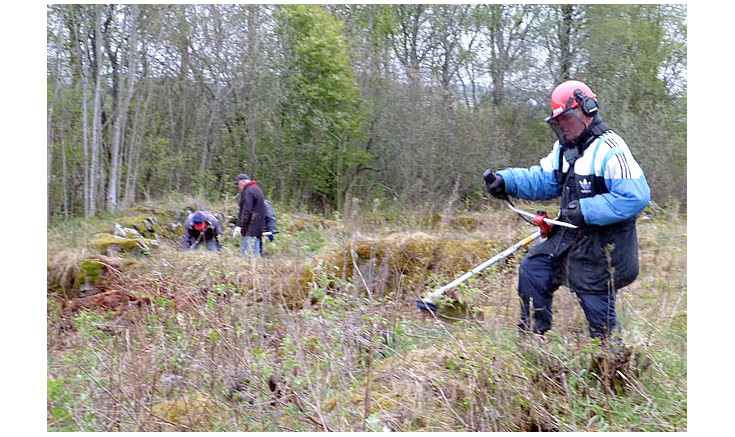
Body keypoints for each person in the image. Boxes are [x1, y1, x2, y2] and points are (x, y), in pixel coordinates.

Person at [484, 80, 650, 340]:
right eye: (559, 121)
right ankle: (532, 339)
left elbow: (635, 197)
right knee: (534, 270)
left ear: (587, 110)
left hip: (603, 248)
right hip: (569, 238)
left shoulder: (612, 150)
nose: (563, 127)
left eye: (567, 119)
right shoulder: (565, 149)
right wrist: (507, 181)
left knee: (601, 321)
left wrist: (586, 209)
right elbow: (544, 179)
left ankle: (611, 366)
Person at [233, 173, 266, 256]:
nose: (237, 186)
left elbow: (246, 210)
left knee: (246, 255)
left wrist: (239, 225)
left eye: (238, 183)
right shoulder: (257, 189)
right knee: (255, 254)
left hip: (250, 229)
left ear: (243, 181)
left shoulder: (248, 191)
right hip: (258, 228)